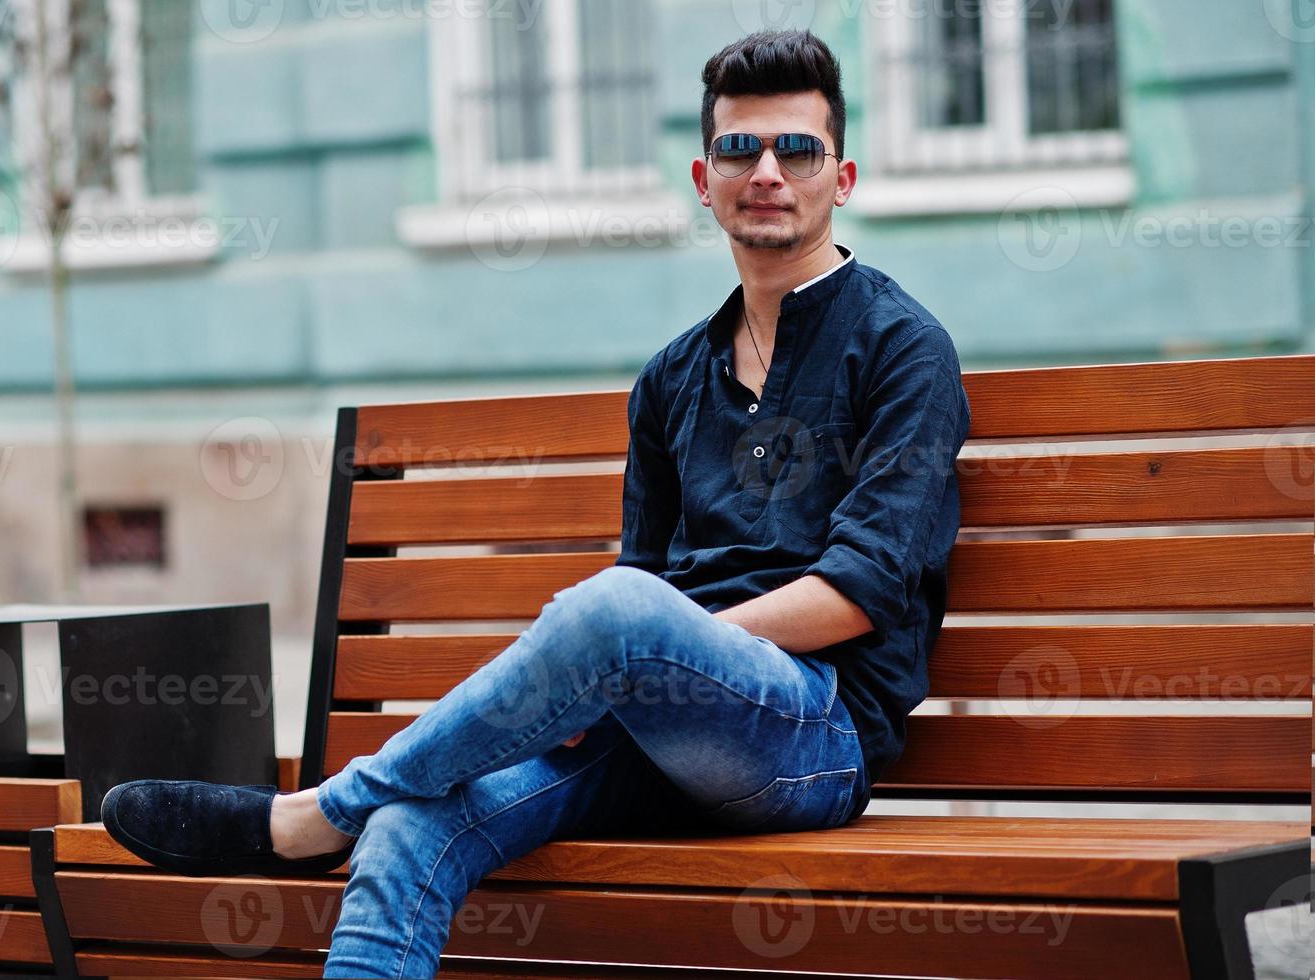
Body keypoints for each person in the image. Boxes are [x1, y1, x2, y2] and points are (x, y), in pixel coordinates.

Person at [100, 27, 971, 979]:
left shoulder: (901, 349)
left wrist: (648, 645)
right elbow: (643, 578)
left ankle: (318, 811)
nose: (766, 171)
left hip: (810, 735)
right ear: (702, 176)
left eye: (794, 149)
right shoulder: (673, 378)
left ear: (838, 179)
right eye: (738, 148)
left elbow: (860, 588)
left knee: (617, 613)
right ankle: (364, 813)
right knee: (410, 826)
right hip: (650, 733)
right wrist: (620, 663)